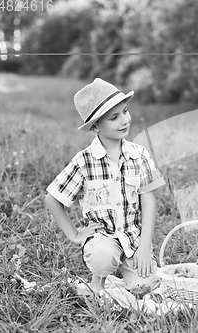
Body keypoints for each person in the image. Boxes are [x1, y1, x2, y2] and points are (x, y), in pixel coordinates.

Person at [45, 78, 165, 293]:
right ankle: (98, 280)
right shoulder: (84, 161)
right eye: (114, 117)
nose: (124, 121)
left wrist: (145, 248)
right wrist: (75, 234)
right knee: (103, 258)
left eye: (125, 111)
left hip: (133, 238)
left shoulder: (139, 155)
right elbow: (52, 197)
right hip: (102, 237)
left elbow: (148, 200)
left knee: (146, 287)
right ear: (95, 126)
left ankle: (130, 268)